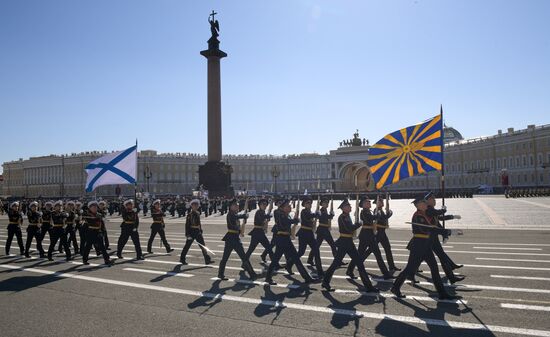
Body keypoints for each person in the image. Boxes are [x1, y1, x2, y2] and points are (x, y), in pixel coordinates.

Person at [390, 195, 457, 300]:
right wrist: (446, 231)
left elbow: (434, 225)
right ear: (418, 205)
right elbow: (427, 229)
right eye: (424, 202)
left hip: (425, 245)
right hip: (418, 246)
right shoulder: (418, 216)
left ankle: (442, 293)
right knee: (409, 269)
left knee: (434, 269)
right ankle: (395, 287)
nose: (426, 204)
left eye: (426, 202)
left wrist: (445, 230)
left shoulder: (426, 215)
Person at [322, 199, 378, 292]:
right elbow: (349, 228)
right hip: (344, 243)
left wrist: (357, 224)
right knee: (335, 264)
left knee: (360, 263)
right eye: (348, 206)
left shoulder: (347, 216)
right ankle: (325, 282)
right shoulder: (342, 217)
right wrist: (358, 224)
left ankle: (369, 286)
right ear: (343, 208)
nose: (350, 207)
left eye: (350, 206)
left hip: (349, 242)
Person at [264, 199, 315, 285]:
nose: (290, 207)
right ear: (283, 208)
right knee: (276, 259)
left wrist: (294, 221)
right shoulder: (279, 214)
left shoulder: (286, 215)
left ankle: (307, 278)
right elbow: (284, 221)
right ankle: (268, 277)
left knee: (296, 258)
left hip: (286, 239)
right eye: (288, 206)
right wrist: (293, 221)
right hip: (281, 239)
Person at [346, 197, 393, 280]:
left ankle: (385, 273)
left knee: (375, 254)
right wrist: (377, 215)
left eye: (369, 202)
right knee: (361, 255)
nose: (369, 203)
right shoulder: (364, 212)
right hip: (365, 235)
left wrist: (387, 214)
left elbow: (377, 218)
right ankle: (350, 270)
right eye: (367, 202)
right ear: (363, 205)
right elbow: (371, 218)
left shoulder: (369, 211)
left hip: (370, 235)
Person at [425, 192, 464, 283]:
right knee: (416, 260)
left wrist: (453, 216)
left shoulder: (431, 209)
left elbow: (441, 218)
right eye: (433, 199)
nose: (435, 201)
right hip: (426, 240)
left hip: (433, 238)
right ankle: (410, 273)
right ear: (428, 200)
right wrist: (443, 210)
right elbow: (438, 213)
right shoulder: (428, 210)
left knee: (442, 256)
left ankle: (451, 277)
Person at [218, 199, 257, 280]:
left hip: (235, 237)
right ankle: (220, 274)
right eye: (235, 205)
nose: (237, 206)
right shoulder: (230, 214)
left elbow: (237, 226)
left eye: (237, 205)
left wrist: (242, 228)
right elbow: (235, 217)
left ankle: (252, 273)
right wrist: (243, 216)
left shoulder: (235, 214)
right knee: (226, 258)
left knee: (243, 257)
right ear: (231, 207)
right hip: (230, 238)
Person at [289, 197, 324, 277]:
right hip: (304, 234)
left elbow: (313, 219)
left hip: (310, 234)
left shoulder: (310, 211)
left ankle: (320, 271)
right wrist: (316, 214)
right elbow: (309, 216)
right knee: (301, 252)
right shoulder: (304, 211)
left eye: (310, 203)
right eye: (307, 203)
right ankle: (289, 264)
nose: (309, 204)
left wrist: (317, 215)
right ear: (304, 204)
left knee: (316, 251)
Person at [180, 199, 213, 265]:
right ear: (191, 206)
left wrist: (200, 230)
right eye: (194, 205)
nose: (196, 206)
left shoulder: (198, 213)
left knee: (203, 246)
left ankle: (207, 260)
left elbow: (199, 223)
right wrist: (187, 234)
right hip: (192, 232)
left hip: (197, 232)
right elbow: (187, 225)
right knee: (187, 246)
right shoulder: (190, 215)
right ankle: (182, 258)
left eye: (197, 205)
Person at [307, 198, 338, 266]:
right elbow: (324, 217)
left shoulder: (325, 210)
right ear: (322, 204)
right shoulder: (321, 210)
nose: (326, 204)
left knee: (317, 246)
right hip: (323, 229)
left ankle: (310, 259)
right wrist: (331, 215)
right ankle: (337, 260)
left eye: (327, 203)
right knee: (332, 244)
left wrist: (330, 216)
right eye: (325, 203)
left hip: (323, 229)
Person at [81, 201, 113, 266]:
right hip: (90, 232)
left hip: (98, 232)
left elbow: (102, 225)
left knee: (102, 246)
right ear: (89, 208)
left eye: (95, 207)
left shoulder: (99, 215)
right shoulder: (86, 215)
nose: (95, 208)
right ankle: (85, 259)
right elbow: (83, 224)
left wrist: (103, 232)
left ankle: (107, 259)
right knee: (88, 246)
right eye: (93, 207)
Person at [244, 198, 274, 265]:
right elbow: (261, 218)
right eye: (263, 204)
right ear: (259, 205)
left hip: (260, 232)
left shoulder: (263, 212)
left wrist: (267, 219)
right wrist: (267, 216)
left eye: (266, 204)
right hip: (257, 232)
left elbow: (264, 221)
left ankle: (274, 263)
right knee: (252, 249)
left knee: (268, 248)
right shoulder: (259, 212)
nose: (265, 205)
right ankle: (275, 263)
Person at [374, 195, 399, 271]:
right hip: (378, 233)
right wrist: (389, 213)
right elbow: (383, 218)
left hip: (382, 233)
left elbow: (384, 217)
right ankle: (359, 262)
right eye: (381, 201)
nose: (382, 202)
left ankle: (391, 266)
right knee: (371, 250)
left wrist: (388, 213)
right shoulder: (377, 210)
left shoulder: (381, 210)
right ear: (377, 203)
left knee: (388, 249)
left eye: (382, 201)